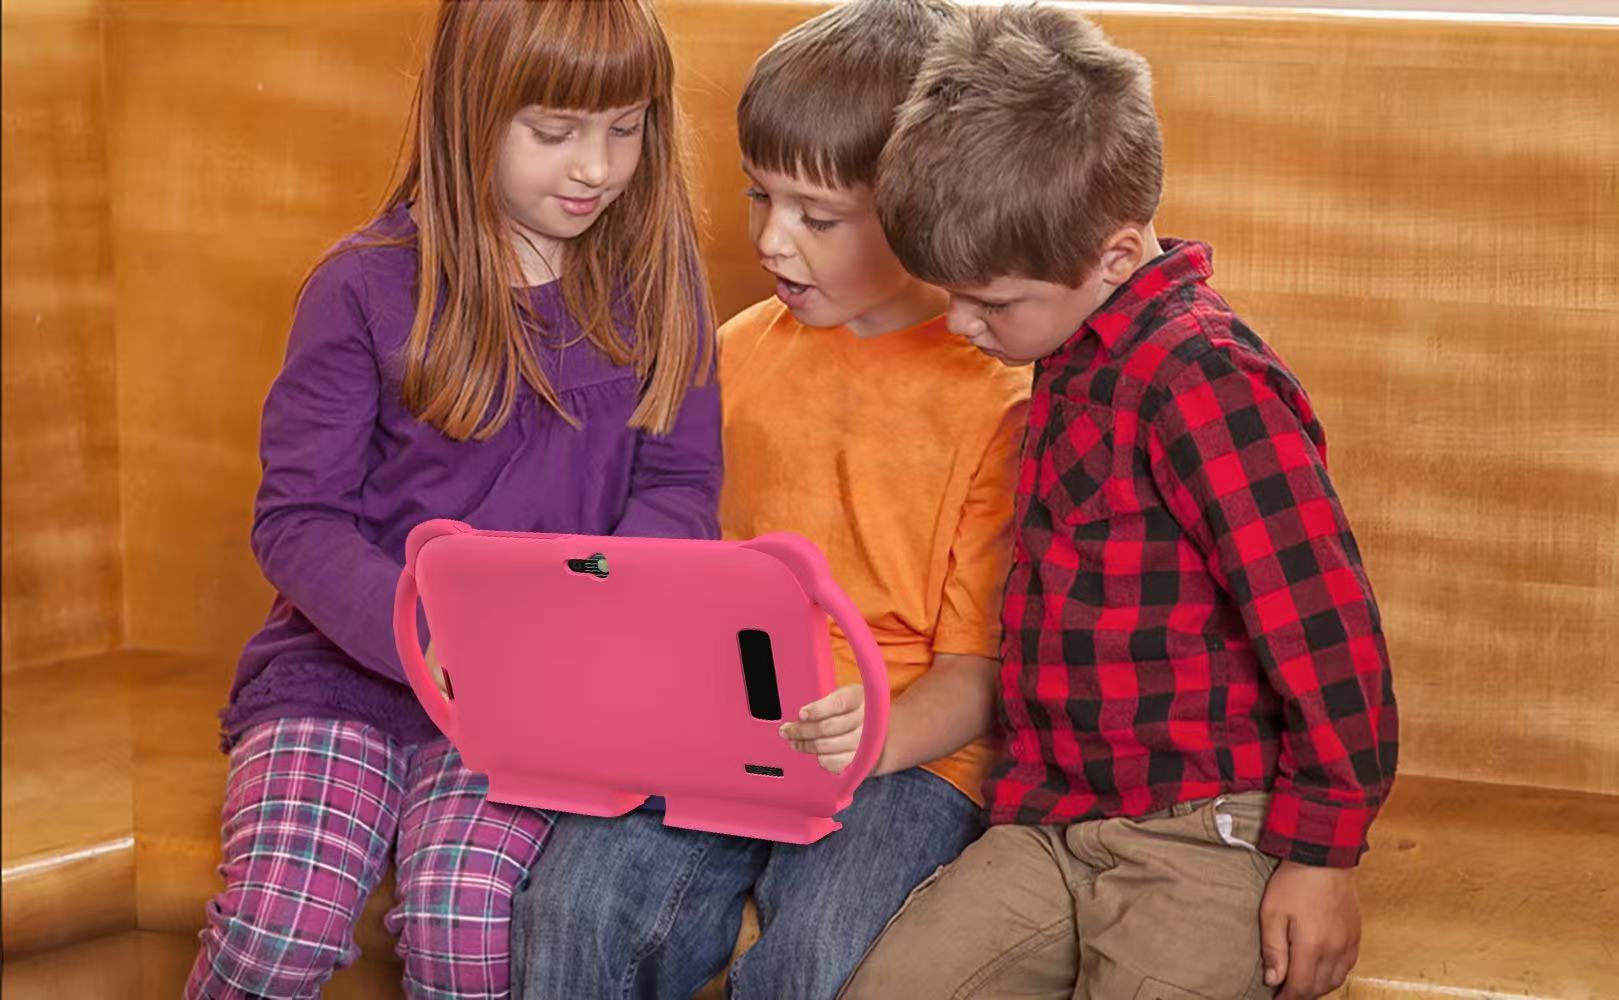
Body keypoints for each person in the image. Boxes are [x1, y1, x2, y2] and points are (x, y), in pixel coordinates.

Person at [841, 6, 1398, 999]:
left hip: (1204, 827)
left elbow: (1325, 629)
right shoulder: (1067, 345)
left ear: (1115, 255)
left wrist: (1321, 855)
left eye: (991, 301)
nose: (960, 323)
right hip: (1053, 820)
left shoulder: (1203, 379)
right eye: (951, 293)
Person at [187, 2, 719, 996]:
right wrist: (428, 637)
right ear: (470, 114)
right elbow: (298, 520)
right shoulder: (359, 287)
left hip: (540, 693)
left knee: (465, 914)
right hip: (342, 675)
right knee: (280, 921)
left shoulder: (658, 283)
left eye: (625, 128)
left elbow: (681, 488)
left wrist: (589, 608)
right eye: (555, 132)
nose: (596, 168)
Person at [510, 2, 1028, 998]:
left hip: (906, 756)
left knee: (826, 949)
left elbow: (976, 674)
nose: (773, 241)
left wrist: (874, 738)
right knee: (571, 905)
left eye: (816, 218)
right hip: (716, 732)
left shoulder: (996, 396)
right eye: (760, 197)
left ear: (926, 209)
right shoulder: (736, 350)